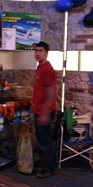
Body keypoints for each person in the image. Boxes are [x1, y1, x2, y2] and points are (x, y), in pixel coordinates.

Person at [32, 41, 58, 179]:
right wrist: (34, 104)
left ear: (46, 53)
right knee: (41, 140)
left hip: (44, 112)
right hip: (38, 110)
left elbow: (51, 92)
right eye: (36, 51)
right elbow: (40, 89)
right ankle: (44, 163)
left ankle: (49, 168)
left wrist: (45, 113)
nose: (37, 53)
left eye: (40, 51)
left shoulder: (47, 69)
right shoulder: (40, 67)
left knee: (46, 141)